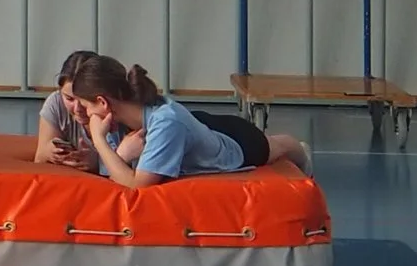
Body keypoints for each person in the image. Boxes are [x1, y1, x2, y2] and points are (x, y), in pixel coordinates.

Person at [68, 56, 313, 180]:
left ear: (102, 102)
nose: (87, 114)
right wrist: (119, 154)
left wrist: (99, 142)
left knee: (275, 146)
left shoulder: (166, 124)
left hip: (235, 143)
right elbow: (108, 171)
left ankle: (301, 151)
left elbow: (137, 186)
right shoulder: (114, 120)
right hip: (195, 128)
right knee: (188, 129)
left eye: (87, 106)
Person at [35, 51, 106, 172]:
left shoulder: (113, 111)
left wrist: (98, 163)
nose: (77, 108)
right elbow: (39, 160)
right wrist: (49, 153)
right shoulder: (56, 103)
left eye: (85, 99)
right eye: (69, 98)